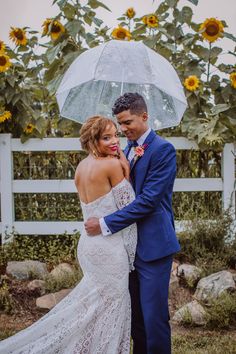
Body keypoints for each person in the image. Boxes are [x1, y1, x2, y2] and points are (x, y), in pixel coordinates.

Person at [0, 116, 137, 354]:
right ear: (93, 141)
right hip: (108, 248)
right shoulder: (113, 165)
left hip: (88, 245)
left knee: (93, 307)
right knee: (113, 305)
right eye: (107, 137)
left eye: (116, 135)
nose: (115, 141)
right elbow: (130, 207)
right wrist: (125, 167)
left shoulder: (81, 167)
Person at [85, 93, 181, 354]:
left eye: (127, 123)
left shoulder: (163, 150)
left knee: (153, 317)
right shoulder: (124, 148)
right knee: (136, 319)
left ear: (144, 116)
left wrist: (104, 223)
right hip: (126, 248)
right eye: (119, 124)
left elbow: (148, 201)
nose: (122, 129)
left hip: (153, 246)